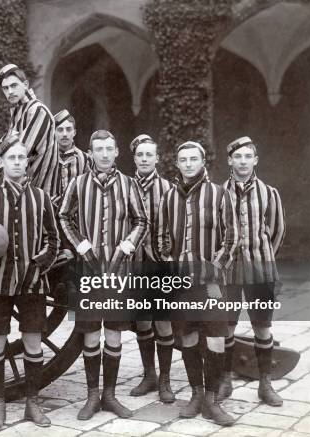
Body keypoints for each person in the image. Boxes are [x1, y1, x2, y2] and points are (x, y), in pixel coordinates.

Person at [0, 133, 60, 432]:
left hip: (31, 284)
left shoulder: (41, 198)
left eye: (21, 158)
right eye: (11, 158)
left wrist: (38, 264)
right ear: (2, 163)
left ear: (27, 163)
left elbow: (53, 240)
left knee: (33, 344)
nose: (17, 162)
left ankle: (33, 402)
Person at [59, 130, 147, 420]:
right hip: (89, 271)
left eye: (110, 148)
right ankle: (92, 395)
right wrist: (82, 245)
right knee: (91, 333)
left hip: (119, 270)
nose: (105, 154)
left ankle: (109, 395)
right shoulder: (78, 183)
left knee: (114, 332)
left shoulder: (129, 184)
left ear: (117, 151)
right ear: (91, 152)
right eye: (99, 149)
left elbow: (141, 220)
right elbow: (64, 216)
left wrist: (126, 246)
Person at [157, 141, 238, 426]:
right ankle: (196, 394)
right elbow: (161, 238)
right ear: (177, 164)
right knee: (188, 338)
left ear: (203, 161)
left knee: (216, 340)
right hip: (181, 285)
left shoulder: (219, 195)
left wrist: (214, 268)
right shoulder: (168, 198)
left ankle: (212, 401)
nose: (188, 164)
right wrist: (170, 264)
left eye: (194, 159)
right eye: (183, 159)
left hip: (211, 284)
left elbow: (231, 239)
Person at [218, 136, 285, 406]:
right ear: (230, 161)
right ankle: (225, 380)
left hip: (260, 269)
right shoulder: (218, 193)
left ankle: (265, 384)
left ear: (255, 160)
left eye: (248, 156)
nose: (243, 161)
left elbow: (278, 231)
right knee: (226, 325)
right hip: (229, 271)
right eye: (238, 157)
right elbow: (216, 233)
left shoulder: (269, 192)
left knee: (262, 326)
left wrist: (264, 258)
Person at [128, 134, 175, 403]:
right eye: (140, 155)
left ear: (157, 158)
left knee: (163, 319)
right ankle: (149, 375)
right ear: (134, 159)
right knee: (142, 320)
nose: (144, 159)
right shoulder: (126, 187)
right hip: (135, 263)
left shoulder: (168, 189)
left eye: (149, 155)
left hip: (161, 263)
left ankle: (166, 381)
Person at [0, 63, 59, 198]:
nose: (10, 91)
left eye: (14, 85)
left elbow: (20, 151)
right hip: (22, 186)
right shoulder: (18, 111)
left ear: (25, 85)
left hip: (39, 193)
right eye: (5, 88)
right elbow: (4, 143)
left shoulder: (37, 110)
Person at [52, 109, 90, 208]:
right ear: (54, 132)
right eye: (60, 130)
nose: (64, 134)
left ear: (74, 132)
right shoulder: (46, 159)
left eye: (68, 129)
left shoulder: (86, 159)